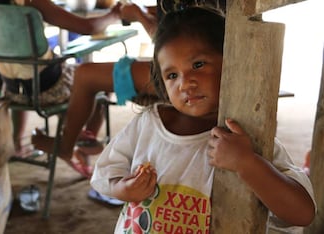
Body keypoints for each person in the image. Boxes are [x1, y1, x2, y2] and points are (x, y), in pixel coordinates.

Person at [90, 7, 316, 232]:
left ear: (231, 62)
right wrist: (124, 189)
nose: (185, 83)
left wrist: (248, 163)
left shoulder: (246, 137)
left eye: (198, 65)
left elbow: (302, 213)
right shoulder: (148, 124)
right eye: (172, 75)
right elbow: (105, 174)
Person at [31, 0, 225, 177]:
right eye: (172, 76)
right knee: (92, 74)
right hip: (177, 58)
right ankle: (86, 135)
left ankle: (68, 144)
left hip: (179, 56)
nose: (184, 83)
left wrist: (139, 16)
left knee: (85, 75)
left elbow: (175, 39)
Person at [0, 0, 122, 163]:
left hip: (12, 92)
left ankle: (42, 139)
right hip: (51, 88)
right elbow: (87, 27)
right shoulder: (29, 1)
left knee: (36, 71)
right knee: (98, 84)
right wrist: (114, 15)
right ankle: (75, 141)